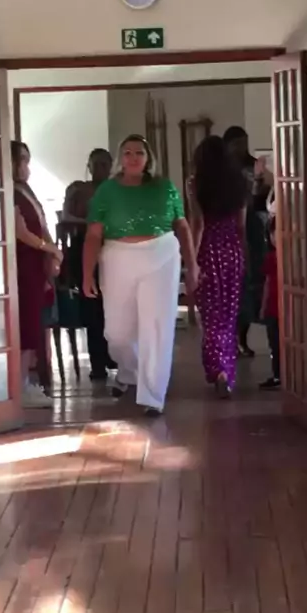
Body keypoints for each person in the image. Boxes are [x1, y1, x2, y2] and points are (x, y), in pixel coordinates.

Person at [82, 134, 198, 417]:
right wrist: (87, 274)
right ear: (120, 159)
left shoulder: (165, 188)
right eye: (128, 153)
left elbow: (182, 226)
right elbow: (94, 234)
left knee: (156, 326)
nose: (133, 158)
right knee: (117, 333)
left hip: (161, 255)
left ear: (148, 159)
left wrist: (192, 265)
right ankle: (129, 371)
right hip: (118, 257)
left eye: (139, 153)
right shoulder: (107, 191)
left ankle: (153, 395)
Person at [192, 135, 248, 397]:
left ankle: (218, 371)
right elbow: (241, 225)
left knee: (211, 315)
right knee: (228, 315)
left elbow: (198, 223)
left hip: (208, 249)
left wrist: (191, 259)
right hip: (232, 249)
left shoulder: (196, 184)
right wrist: (243, 254)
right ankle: (226, 370)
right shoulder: (239, 183)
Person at [11, 141, 63, 408]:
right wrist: (49, 248)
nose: (25, 166)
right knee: (26, 325)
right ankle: (19, 386)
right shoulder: (8, 191)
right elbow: (20, 231)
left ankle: (27, 382)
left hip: (36, 265)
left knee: (35, 324)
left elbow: (42, 225)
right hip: (21, 265)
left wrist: (53, 253)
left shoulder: (25, 190)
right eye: (20, 159)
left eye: (26, 160)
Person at [62, 149, 116, 381]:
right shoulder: (78, 189)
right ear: (89, 166)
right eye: (96, 164)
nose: (100, 169)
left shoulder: (118, 190)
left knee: (114, 307)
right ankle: (97, 362)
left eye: (105, 164)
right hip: (84, 250)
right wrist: (90, 224)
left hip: (113, 250)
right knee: (92, 307)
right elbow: (65, 217)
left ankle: (113, 354)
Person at [223, 126, 273, 357]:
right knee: (231, 288)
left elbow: (263, 198)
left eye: (244, 142)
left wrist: (261, 179)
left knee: (252, 285)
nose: (241, 148)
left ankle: (242, 338)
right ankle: (230, 339)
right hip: (228, 231)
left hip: (253, 230)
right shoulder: (221, 171)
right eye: (236, 144)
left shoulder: (254, 165)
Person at [259, 216, 280, 390]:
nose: (275, 237)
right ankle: (277, 374)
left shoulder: (296, 257)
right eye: (273, 234)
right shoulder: (270, 257)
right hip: (273, 308)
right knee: (274, 344)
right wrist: (263, 306)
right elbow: (267, 282)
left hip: (289, 309)